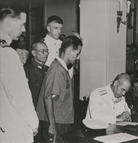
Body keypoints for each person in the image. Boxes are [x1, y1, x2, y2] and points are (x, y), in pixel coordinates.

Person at [0, 2, 39, 143]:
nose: (23, 29)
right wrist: (34, 123)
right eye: (22, 24)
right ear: (9, 23)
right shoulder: (7, 53)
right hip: (14, 127)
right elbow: (19, 95)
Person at [36, 35, 83, 143]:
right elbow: (48, 98)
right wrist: (52, 126)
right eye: (77, 53)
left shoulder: (62, 69)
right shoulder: (57, 70)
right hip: (57, 124)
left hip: (62, 122)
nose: (78, 57)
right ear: (69, 50)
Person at [24, 41, 49, 108]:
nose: (46, 54)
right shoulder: (27, 70)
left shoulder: (48, 69)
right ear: (34, 53)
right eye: (42, 51)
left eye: (47, 51)